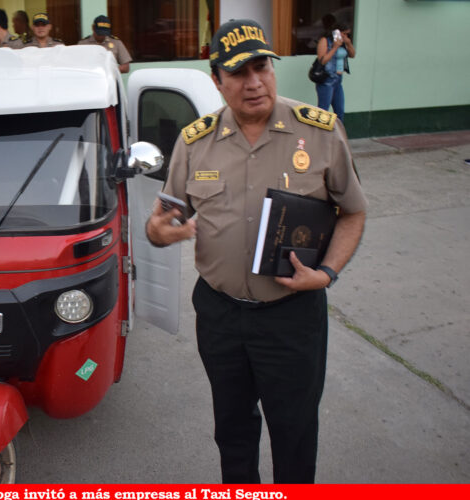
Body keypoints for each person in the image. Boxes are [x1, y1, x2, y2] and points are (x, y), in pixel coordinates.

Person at [145, 18, 367, 483]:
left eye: (261, 67)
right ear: (217, 81)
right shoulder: (194, 142)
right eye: (239, 73)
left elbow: (353, 212)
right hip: (221, 316)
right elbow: (164, 219)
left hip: (291, 316)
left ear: (272, 67)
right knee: (232, 430)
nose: (253, 83)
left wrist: (326, 274)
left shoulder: (321, 133)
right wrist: (158, 232)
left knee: (294, 432)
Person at [315, 22, 355, 122]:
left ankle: (337, 136)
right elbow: (322, 61)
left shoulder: (343, 43)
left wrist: (348, 43)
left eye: (347, 34)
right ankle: (320, 135)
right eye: (343, 33)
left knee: (340, 112)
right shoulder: (325, 41)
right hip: (327, 80)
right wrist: (335, 47)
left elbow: (352, 55)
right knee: (323, 111)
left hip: (338, 80)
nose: (345, 36)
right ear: (336, 32)